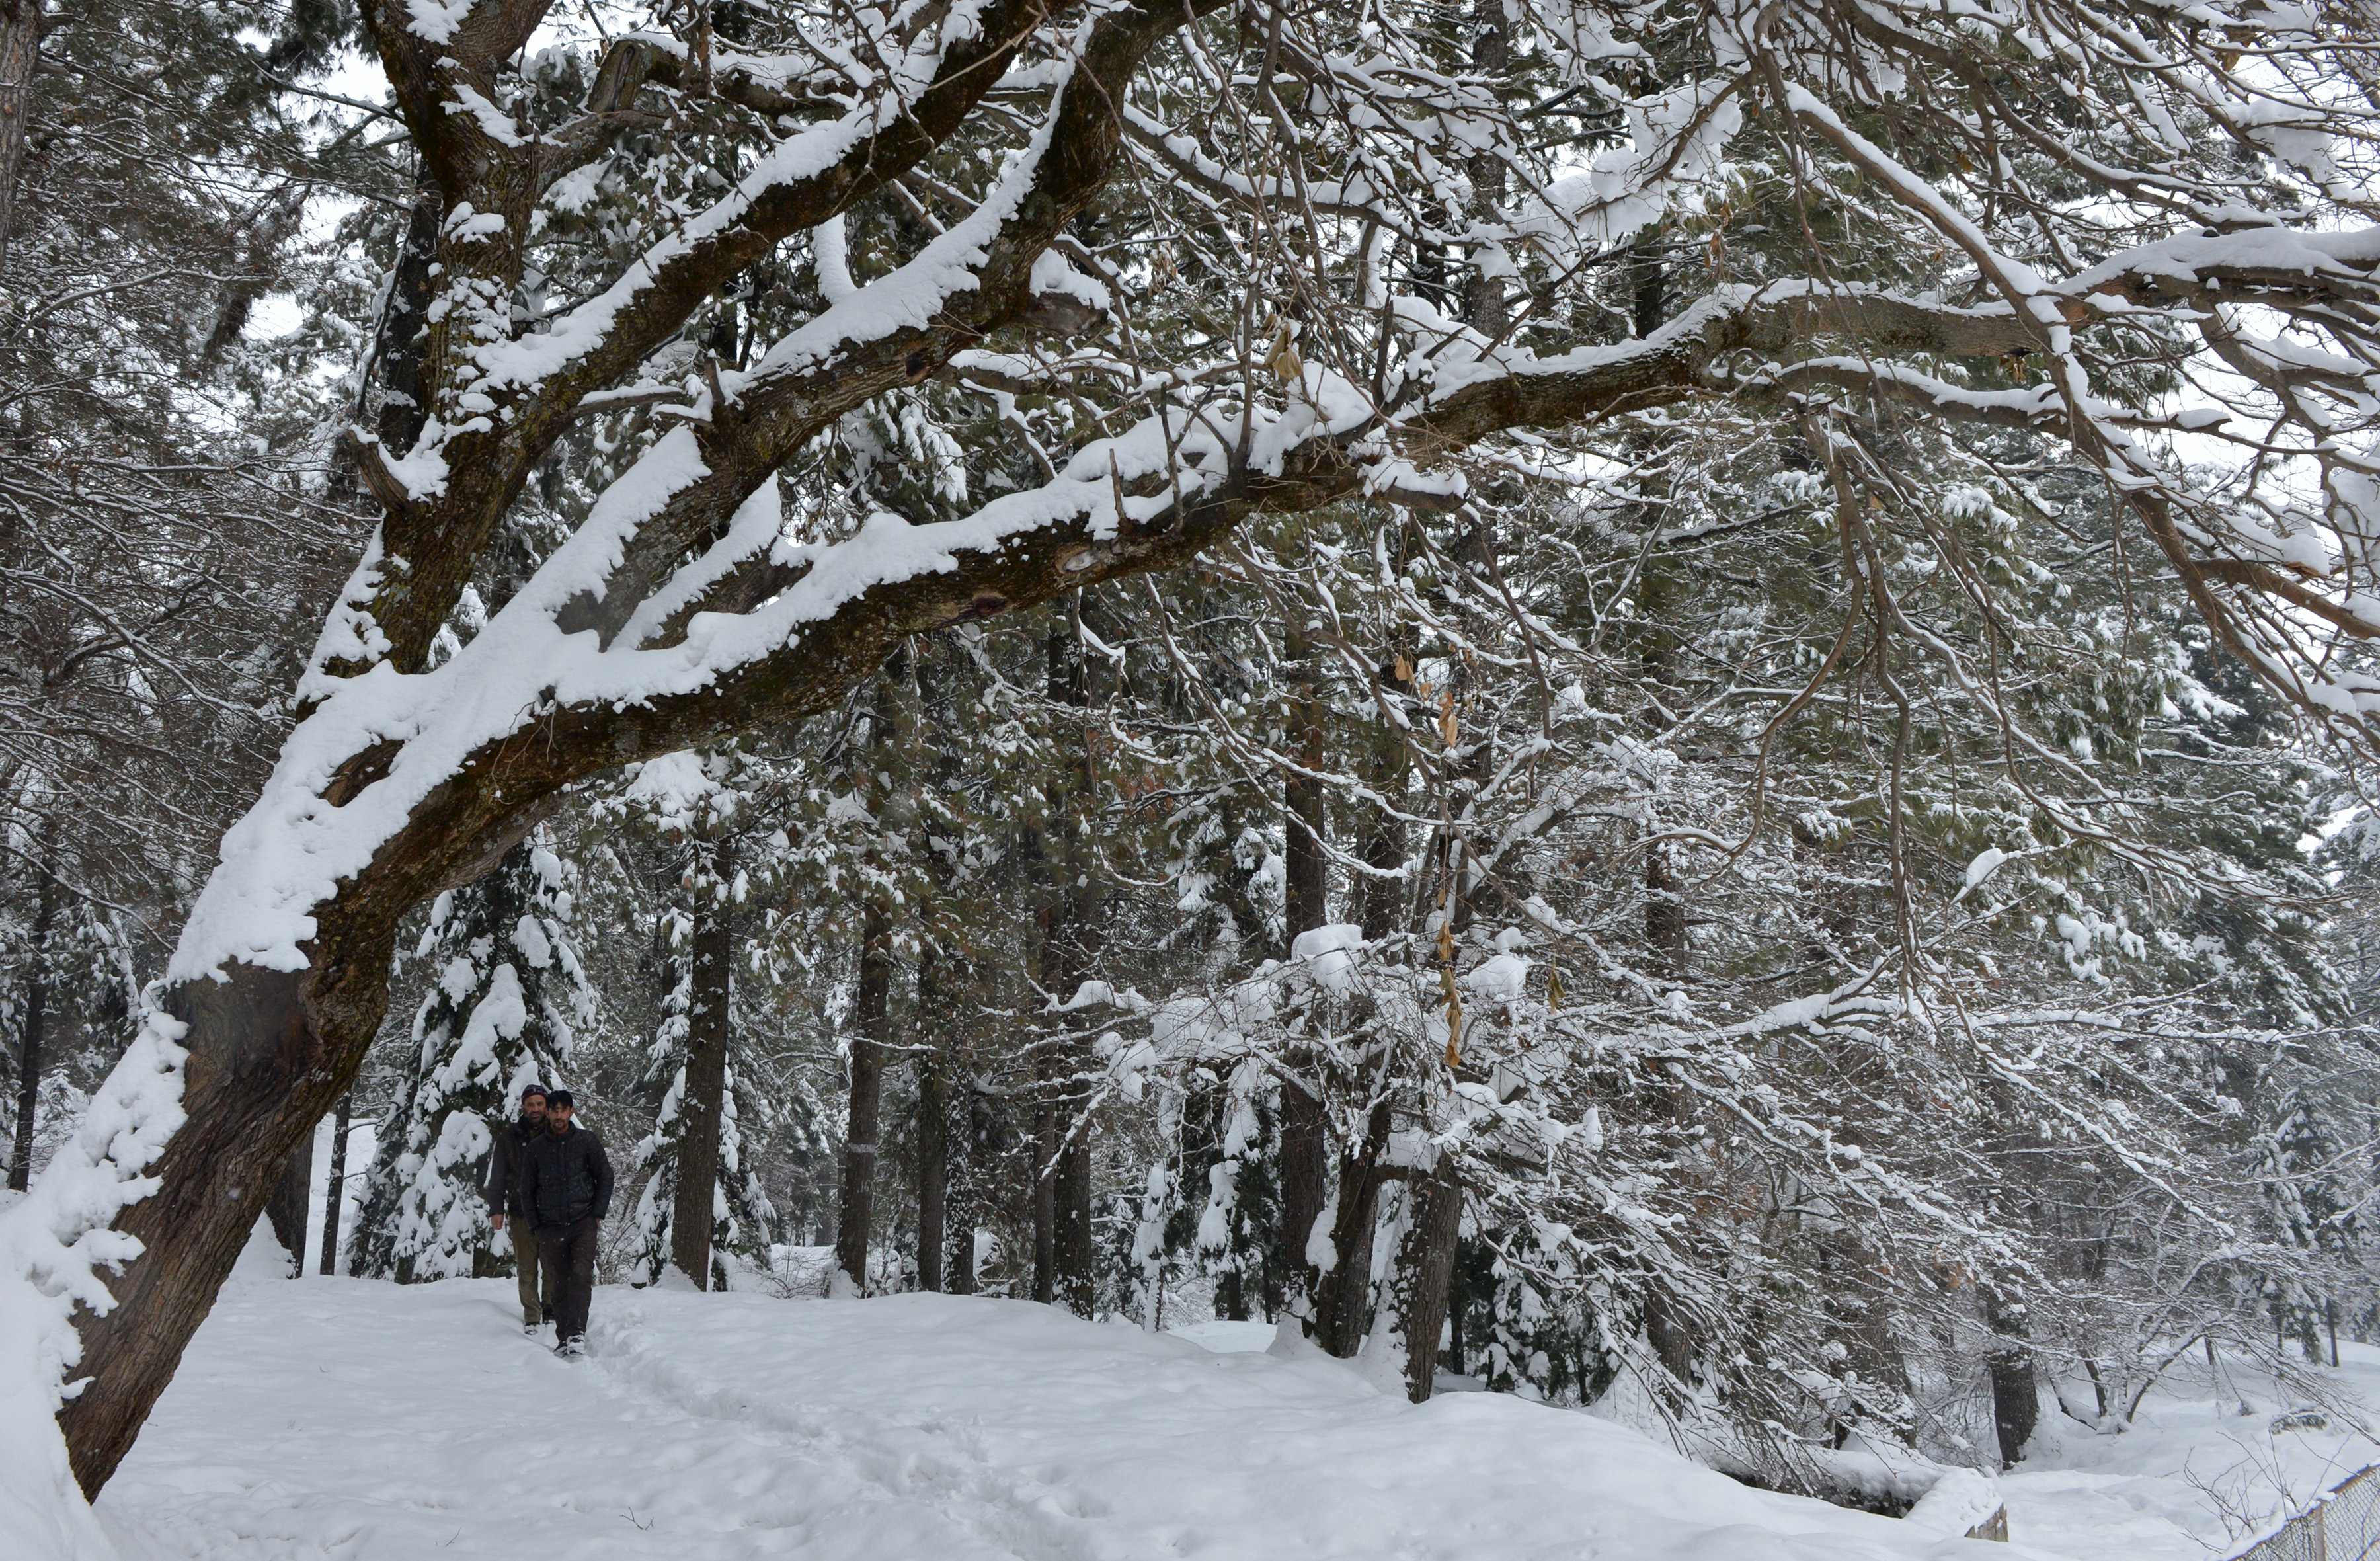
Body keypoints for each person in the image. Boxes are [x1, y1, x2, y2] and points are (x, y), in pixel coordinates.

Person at [516, 1088, 613, 1357]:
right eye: (554, 1110)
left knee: (581, 1276)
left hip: (583, 1222)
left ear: (571, 1112)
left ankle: (577, 1332)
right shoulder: (536, 1149)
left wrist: (598, 1213)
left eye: (563, 1110)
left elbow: (605, 1176)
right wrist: (535, 1225)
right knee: (557, 1281)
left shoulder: (586, 1142)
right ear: (548, 1112)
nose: (558, 1116)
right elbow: (526, 1189)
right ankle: (564, 1335)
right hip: (549, 1226)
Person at [482, 1082, 551, 1334]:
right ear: (523, 1106)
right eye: (530, 1104)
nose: (535, 1109)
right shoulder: (509, 1137)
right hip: (521, 1211)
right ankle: (532, 1316)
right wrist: (496, 1209)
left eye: (539, 1104)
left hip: (553, 1212)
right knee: (527, 1266)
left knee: (553, 1265)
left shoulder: (558, 1132)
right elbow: (498, 1176)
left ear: (546, 1106)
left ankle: (551, 1312)